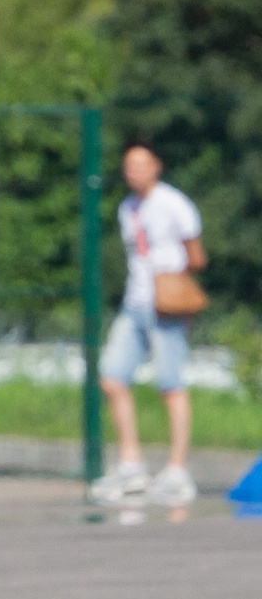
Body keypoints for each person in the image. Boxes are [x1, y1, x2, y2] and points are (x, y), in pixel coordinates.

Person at [90, 142, 205, 507]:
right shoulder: (128, 207)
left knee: (170, 383)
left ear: (156, 166)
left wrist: (176, 290)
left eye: (141, 165)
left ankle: (176, 468)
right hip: (135, 302)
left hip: (166, 303)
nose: (134, 172)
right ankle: (131, 464)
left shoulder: (173, 204)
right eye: (128, 166)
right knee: (112, 378)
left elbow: (196, 255)